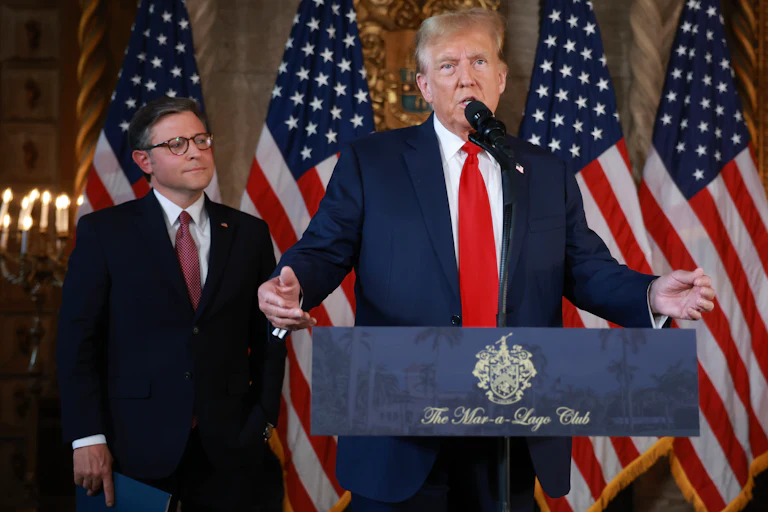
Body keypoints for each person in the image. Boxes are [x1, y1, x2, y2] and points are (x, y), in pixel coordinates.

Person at [258, 9, 715, 512]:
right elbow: (324, 248)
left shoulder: (544, 171)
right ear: (424, 85)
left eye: (479, 60)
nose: (466, 75)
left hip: (509, 422)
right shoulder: (372, 162)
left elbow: (583, 266)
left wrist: (649, 293)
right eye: (448, 65)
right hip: (403, 422)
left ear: (500, 78)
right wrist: (293, 286)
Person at [57, 96, 286, 511]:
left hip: (231, 450)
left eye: (201, 139)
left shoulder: (249, 233)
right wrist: (87, 436)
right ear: (144, 160)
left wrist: (263, 420)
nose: (196, 151)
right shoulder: (104, 233)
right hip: (132, 446)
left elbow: (267, 337)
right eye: (178, 144)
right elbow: (78, 345)